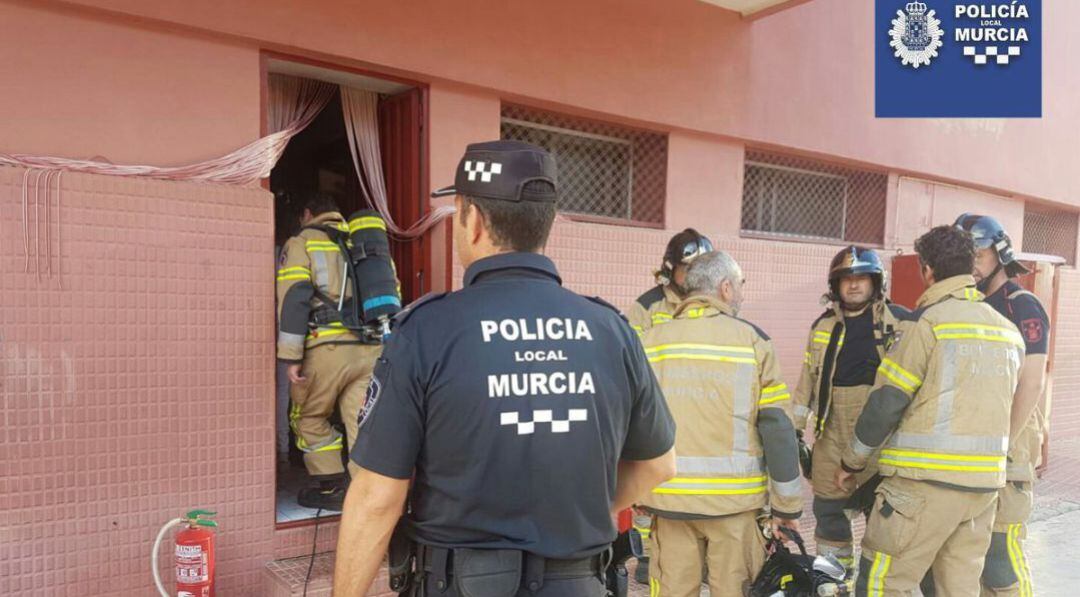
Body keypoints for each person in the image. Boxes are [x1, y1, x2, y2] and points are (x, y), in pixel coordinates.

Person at [332, 140, 677, 597]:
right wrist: (577, 519)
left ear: (473, 220)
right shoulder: (610, 330)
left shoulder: (427, 330)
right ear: (545, 223)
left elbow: (378, 496)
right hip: (579, 583)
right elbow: (659, 464)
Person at [836, 225, 1024, 596]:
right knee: (958, 587)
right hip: (982, 491)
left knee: (882, 583)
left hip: (921, 489)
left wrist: (851, 463)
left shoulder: (928, 325)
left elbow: (887, 402)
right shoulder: (1007, 332)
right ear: (971, 267)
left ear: (927, 270)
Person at [640, 250, 803, 597]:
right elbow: (776, 427)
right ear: (726, 288)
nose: (742, 293)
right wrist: (787, 506)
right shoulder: (753, 342)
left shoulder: (651, 342)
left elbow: (632, 423)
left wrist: (636, 489)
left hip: (670, 504)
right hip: (735, 508)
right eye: (741, 285)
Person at [792, 247, 911, 570]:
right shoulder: (822, 326)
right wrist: (795, 431)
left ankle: (876, 583)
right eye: (847, 280)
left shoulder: (901, 322)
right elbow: (807, 382)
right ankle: (833, 580)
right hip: (830, 429)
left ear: (876, 283)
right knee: (829, 512)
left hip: (880, 432)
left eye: (861, 279)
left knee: (884, 514)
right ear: (836, 286)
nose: (854, 285)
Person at [956, 214, 1049, 597]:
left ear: (1000, 252)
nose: (972, 262)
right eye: (966, 254)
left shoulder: (1021, 305)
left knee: (1000, 558)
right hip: (971, 448)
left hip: (1008, 450)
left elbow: (1033, 380)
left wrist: (1005, 443)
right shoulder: (964, 305)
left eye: (978, 252)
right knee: (970, 560)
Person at [276, 193, 384, 511]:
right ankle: (368, 490)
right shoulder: (368, 245)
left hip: (326, 347)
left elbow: (294, 297)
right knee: (361, 420)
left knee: (308, 415)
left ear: (308, 213)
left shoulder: (303, 241)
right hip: (370, 348)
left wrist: (291, 356)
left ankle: (332, 484)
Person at [627, 229, 714, 336]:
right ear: (671, 268)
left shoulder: (714, 305)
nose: (696, 276)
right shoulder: (646, 307)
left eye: (702, 270)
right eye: (689, 269)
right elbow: (632, 349)